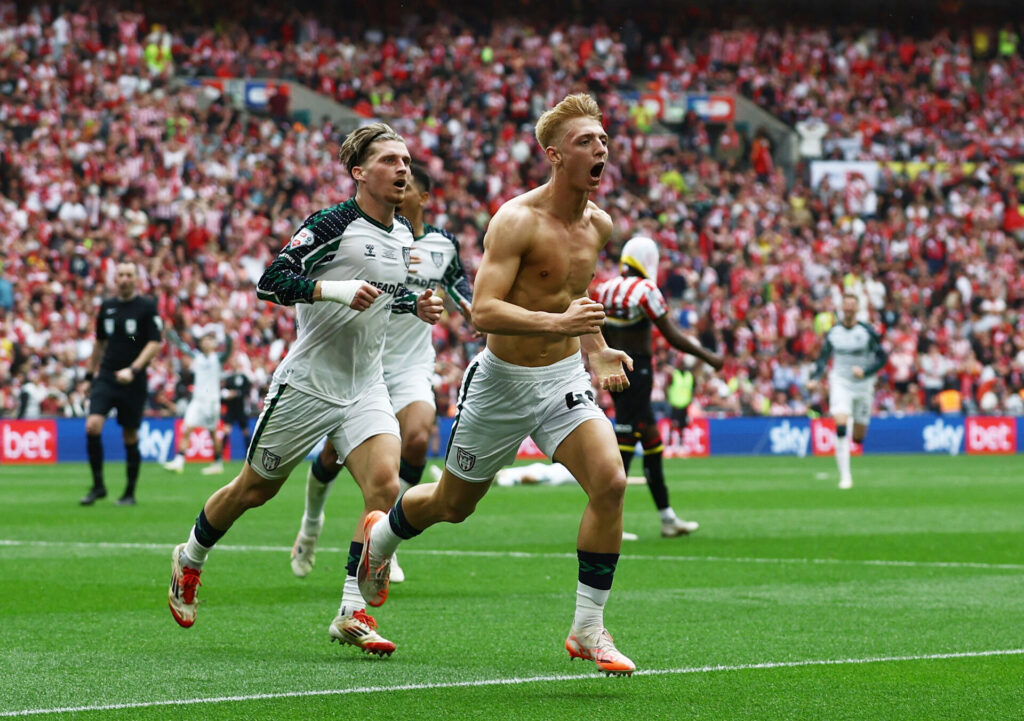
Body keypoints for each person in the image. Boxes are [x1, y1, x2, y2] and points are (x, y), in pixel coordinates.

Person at [360, 93, 638, 675]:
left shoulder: (600, 225)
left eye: (604, 140)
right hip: (502, 383)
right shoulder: (516, 220)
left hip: (562, 378)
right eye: (587, 141)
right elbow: (483, 311)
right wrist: (560, 323)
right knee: (453, 505)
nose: (601, 149)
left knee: (611, 482)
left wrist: (596, 345)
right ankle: (382, 536)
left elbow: (574, 299)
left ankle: (589, 628)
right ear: (554, 154)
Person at [166, 123, 445, 659]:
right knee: (254, 490)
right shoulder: (333, 223)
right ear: (360, 172)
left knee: (385, 487)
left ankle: (350, 610)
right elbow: (271, 280)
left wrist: (417, 306)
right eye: (389, 160)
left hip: (366, 385)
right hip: (309, 384)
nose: (402, 168)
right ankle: (191, 557)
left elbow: (385, 298)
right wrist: (333, 289)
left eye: (406, 159)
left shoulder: (406, 238)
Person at [290, 163, 474, 584]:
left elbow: (462, 289)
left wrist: (478, 314)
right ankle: (311, 523)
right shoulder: (367, 236)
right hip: (361, 362)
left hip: (411, 365)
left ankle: (386, 541)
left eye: (406, 185)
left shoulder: (442, 244)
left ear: (422, 198)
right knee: (333, 457)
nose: (398, 189)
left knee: (418, 435)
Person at [592, 236, 723, 537]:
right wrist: (708, 356)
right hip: (639, 369)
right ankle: (606, 521)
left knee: (651, 441)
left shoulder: (605, 288)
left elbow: (598, 329)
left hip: (614, 366)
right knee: (625, 438)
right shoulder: (646, 290)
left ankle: (667, 518)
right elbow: (672, 335)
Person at [80, 259, 164, 506]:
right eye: (121, 275)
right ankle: (98, 486)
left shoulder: (147, 307)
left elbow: (155, 342)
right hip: (107, 375)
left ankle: (129, 492)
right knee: (92, 426)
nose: (125, 279)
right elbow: (99, 343)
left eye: (129, 274)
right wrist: (88, 376)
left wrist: (134, 369)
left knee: (130, 434)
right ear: (115, 279)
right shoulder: (106, 307)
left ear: (136, 278)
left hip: (133, 378)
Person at [807, 293, 888, 489]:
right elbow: (823, 359)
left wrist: (866, 371)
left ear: (858, 308)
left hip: (863, 385)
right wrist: (815, 378)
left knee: (859, 438)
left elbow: (882, 358)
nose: (849, 308)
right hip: (841, 382)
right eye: (847, 304)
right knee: (841, 426)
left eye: (853, 304)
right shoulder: (834, 333)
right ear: (842, 308)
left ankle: (852, 422)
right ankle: (845, 477)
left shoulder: (867, 332)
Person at [162, 327, 233, 476]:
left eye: (208, 340)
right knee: (187, 428)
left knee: (213, 432)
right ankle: (179, 461)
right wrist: (171, 333)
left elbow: (228, 350)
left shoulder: (218, 358)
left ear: (214, 344)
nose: (205, 343)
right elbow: (181, 346)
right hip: (197, 400)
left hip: (211, 401)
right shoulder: (197, 356)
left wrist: (228, 337)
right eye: (203, 341)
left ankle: (217, 462)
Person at [220, 353, 253, 455]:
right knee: (226, 430)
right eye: (232, 362)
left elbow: (247, 392)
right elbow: (222, 393)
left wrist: (236, 393)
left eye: (235, 361)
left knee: (245, 431)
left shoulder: (243, 376)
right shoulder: (227, 377)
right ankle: (219, 456)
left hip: (241, 408)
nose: (233, 364)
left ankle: (248, 455)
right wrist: (226, 395)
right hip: (231, 409)